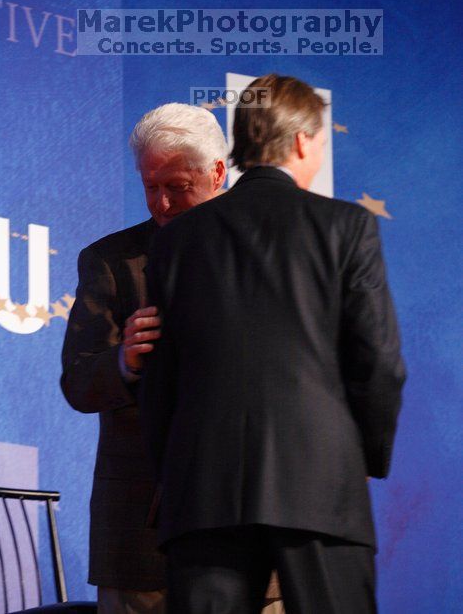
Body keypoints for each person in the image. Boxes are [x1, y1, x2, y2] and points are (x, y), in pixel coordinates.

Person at [140, 74, 407, 614]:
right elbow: (378, 362)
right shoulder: (347, 226)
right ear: (305, 140)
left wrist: (177, 471)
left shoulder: (175, 241)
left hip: (203, 494)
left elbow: (160, 377)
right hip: (320, 486)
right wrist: (363, 456)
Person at [60, 103, 227, 614]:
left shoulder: (264, 253)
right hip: (137, 532)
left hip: (240, 520)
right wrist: (124, 362)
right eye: (150, 185)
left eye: (176, 185)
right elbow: (78, 382)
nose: (161, 202)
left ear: (217, 171)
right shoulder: (110, 261)